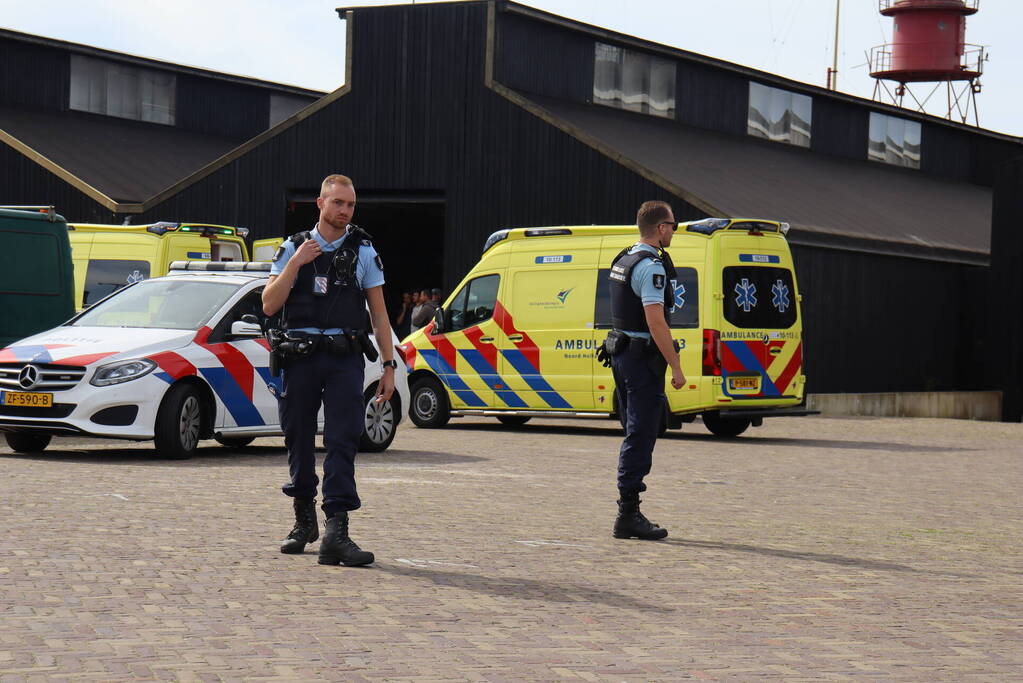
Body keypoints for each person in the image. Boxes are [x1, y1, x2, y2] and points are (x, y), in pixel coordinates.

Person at [262, 173, 397, 567]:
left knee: (342, 440)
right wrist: (297, 263)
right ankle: (304, 522)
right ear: (320, 203)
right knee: (298, 437)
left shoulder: (364, 251)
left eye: (350, 204)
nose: (344, 211)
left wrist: (389, 367)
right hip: (299, 357)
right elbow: (269, 304)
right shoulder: (293, 246)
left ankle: (337, 530)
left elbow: (380, 314)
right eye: (337, 202)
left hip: (343, 359)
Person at [605, 200, 685, 540]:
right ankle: (628, 514)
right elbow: (655, 321)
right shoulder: (650, 267)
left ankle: (629, 510)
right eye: (673, 226)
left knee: (633, 430)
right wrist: (676, 367)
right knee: (641, 433)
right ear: (661, 228)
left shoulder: (624, 257)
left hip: (622, 354)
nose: (674, 232)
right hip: (640, 361)